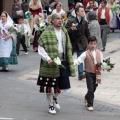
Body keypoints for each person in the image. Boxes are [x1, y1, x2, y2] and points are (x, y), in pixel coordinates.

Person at [37, 13, 75, 114]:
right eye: (57, 19)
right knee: (50, 86)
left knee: (65, 86)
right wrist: (48, 59)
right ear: (52, 20)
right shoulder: (47, 32)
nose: (60, 20)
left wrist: (70, 58)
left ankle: (54, 98)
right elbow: (40, 47)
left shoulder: (64, 30)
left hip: (62, 61)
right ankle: (50, 106)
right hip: (51, 62)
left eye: (61, 19)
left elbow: (68, 45)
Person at [74, 36, 103, 111]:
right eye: (91, 44)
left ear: (96, 44)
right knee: (90, 89)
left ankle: (87, 97)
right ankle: (90, 104)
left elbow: (102, 62)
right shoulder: (85, 53)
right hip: (89, 73)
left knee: (94, 88)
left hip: (97, 74)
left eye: (94, 44)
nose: (93, 45)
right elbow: (79, 60)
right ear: (88, 44)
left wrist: (104, 66)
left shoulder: (99, 53)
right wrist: (72, 64)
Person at [66, 6, 90, 80]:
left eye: (83, 11)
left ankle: (80, 74)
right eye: (82, 11)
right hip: (73, 42)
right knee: (69, 57)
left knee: (80, 58)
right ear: (77, 13)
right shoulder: (71, 21)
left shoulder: (84, 22)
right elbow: (65, 31)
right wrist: (71, 29)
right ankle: (66, 71)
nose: (83, 12)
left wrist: (89, 41)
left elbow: (87, 33)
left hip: (81, 42)